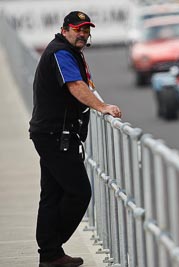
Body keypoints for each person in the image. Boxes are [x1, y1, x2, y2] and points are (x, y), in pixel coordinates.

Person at [29, 11, 122, 267]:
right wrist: (102, 106)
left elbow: (80, 85)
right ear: (65, 29)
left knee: (51, 194)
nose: (83, 34)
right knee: (79, 192)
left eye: (86, 30)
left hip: (52, 133)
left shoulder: (68, 51)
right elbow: (76, 86)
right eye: (78, 29)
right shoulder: (60, 52)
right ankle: (50, 248)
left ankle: (50, 255)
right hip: (54, 135)